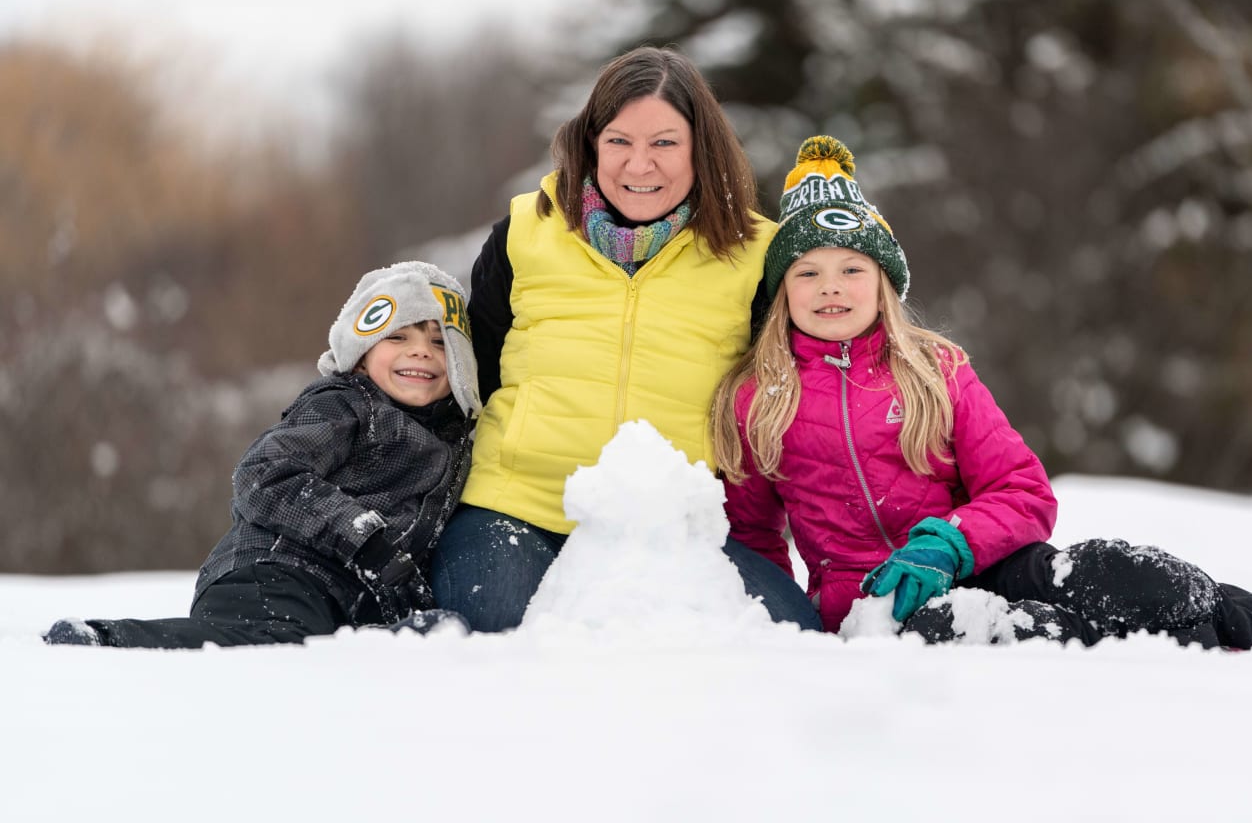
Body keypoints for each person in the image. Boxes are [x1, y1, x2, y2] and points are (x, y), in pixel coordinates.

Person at [710, 135, 1252, 649]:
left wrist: (949, 541)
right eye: (809, 271)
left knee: (1120, 572)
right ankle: (1145, 654)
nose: (832, 287)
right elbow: (755, 544)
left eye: (852, 268)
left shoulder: (937, 371)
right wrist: (802, 637)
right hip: (882, 612)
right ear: (781, 294)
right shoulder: (756, 400)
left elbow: (1026, 492)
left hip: (987, 561)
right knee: (1006, 631)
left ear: (883, 283)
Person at [429, 46, 822, 632]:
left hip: (676, 524)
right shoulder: (524, 235)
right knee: (493, 633)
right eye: (619, 141)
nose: (639, 166)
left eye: (664, 143)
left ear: (701, 148)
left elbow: (801, 390)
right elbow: (470, 374)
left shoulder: (755, 254)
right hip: (519, 507)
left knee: (787, 637)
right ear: (590, 144)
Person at [44, 261, 481, 648]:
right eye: (398, 336)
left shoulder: (456, 437)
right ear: (361, 355)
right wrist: (365, 541)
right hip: (276, 571)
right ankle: (109, 641)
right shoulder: (344, 404)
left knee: (332, 651)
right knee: (278, 645)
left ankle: (378, 644)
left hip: (343, 604)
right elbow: (263, 475)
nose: (421, 350)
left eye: (440, 342)